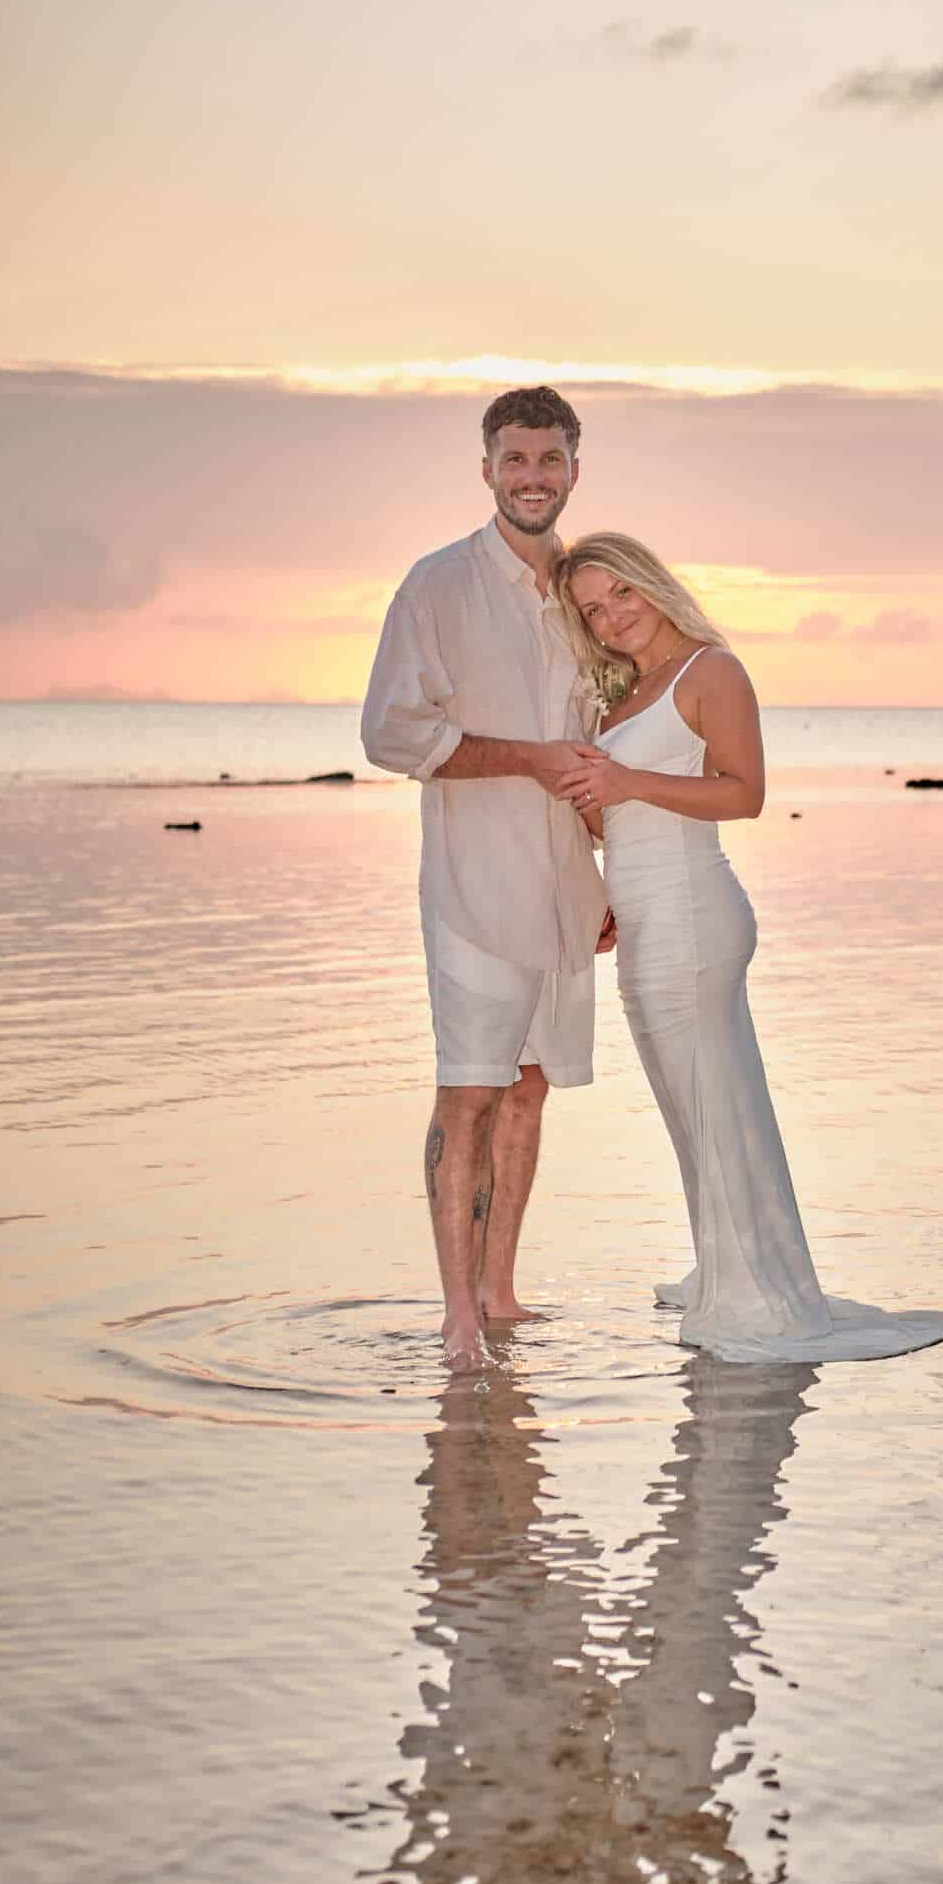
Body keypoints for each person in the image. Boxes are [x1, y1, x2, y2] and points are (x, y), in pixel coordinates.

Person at [553, 530, 943, 1364]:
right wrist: (592, 870)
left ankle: (753, 1289)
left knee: (712, 1100)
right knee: (692, 1107)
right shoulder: (622, 694)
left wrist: (624, 781)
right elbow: (618, 820)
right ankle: (731, 1263)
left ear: (653, 586)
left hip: (693, 915)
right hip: (644, 916)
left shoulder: (711, 671)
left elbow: (744, 794)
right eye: (592, 610)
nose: (611, 618)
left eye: (622, 596)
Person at [361, 386, 611, 1368]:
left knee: (533, 1085)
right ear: (487, 469)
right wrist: (528, 758)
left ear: (575, 471)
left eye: (550, 461)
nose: (533, 478)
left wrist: (613, 876)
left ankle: (502, 1294)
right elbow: (391, 733)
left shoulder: (592, 592)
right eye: (516, 460)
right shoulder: (438, 587)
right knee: (469, 1091)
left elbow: (603, 748)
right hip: (474, 886)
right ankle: (458, 1318)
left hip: (567, 889)